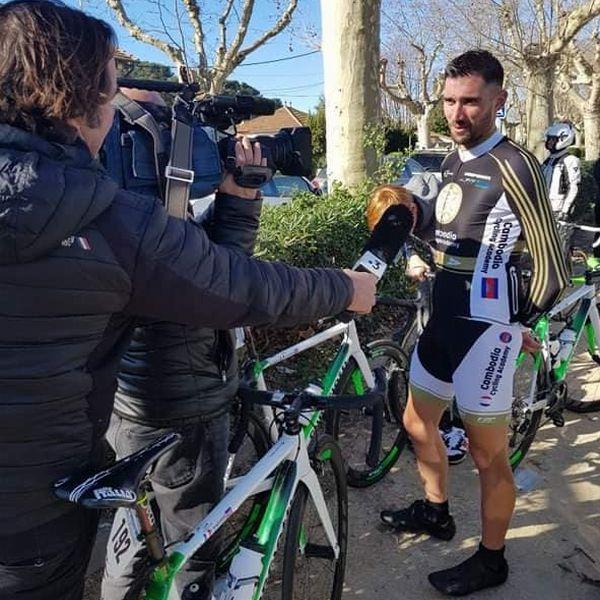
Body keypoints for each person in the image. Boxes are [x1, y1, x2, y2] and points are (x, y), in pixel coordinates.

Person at [0, 2, 377, 599]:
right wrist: (345, 288)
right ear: (76, 98)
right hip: (38, 506)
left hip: (107, 426)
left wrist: (236, 198)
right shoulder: (104, 214)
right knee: (179, 542)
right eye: (109, 88)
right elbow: (232, 286)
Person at [379, 49, 568, 596]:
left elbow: (551, 266)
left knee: (489, 457)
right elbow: (446, 229)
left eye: (471, 103)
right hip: (441, 321)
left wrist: (519, 327)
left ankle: (492, 560)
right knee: (417, 423)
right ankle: (436, 512)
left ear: (499, 101)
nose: (458, 114)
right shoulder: (451, 159)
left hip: (487, 334)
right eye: (449, 102)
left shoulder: (515, 162)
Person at [100, 88, 266, 600]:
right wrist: (239, 203)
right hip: (182, 394)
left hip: (122, 391)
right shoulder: (148, 183)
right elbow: (215, 283)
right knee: (192, 539)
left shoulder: (104, 193)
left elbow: (186, 256)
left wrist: (233, 196)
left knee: (132, 533)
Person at [366, 184, 470, 465]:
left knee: (457, 352)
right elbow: (400, 235)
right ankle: (431, 417)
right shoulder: (399, 205)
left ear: (412, 211)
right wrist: (410, 255)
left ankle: (458, 427)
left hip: (464, 274)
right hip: (432, 273)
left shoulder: (448, 203)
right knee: (427, 345)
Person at [541, 121, 581, 220]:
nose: (549, 142)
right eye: (549, 139)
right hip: (543, 207)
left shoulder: (570, 160)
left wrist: (565, 211)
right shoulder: (548, 160)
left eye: (553, 140)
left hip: (557, 209)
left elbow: (573, 186)